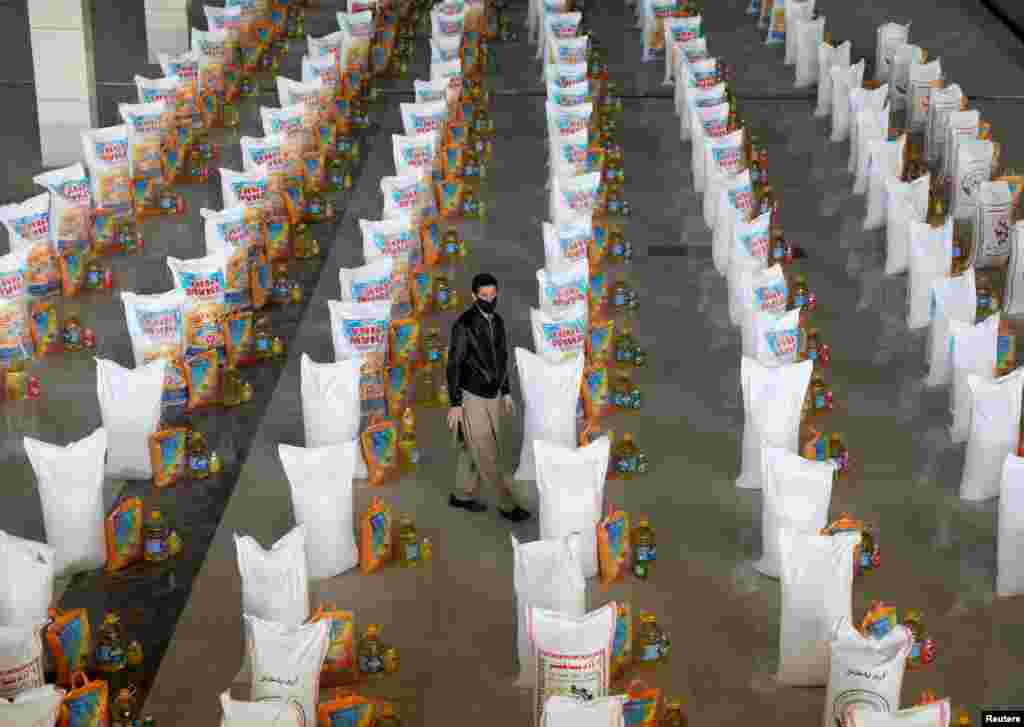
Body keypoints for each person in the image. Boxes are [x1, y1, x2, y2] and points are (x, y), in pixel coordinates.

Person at [446, 273, 531, 522]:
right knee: (487, 451)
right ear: (473, 296)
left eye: (493, 296)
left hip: (493, 394)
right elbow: (454, 365)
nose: (489, 300)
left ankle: (462, 495)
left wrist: (505, 391)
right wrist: (455, 404)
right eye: (483, 296)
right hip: (472, 397)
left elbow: (502, 359)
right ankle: (507, 504)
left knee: (470, 446)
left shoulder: (499, 322)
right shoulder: (463, 326)